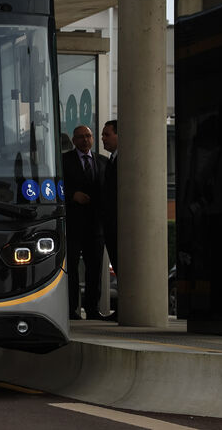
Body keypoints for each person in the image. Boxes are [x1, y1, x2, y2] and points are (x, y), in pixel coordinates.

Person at [63, 124, 107, 320]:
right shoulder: (64, 161)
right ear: (74, 141)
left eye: (88, 136)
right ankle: (71, 309)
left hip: (95, 225)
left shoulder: (103, 162)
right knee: (71, 269)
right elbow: (55, 189)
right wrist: (72, 196)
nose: (85, 140)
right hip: (73, 225)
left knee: (95, 269)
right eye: (80, 137)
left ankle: (92, 309)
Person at [101, 119, 119, 320]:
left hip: (118, 224)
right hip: (110, 224)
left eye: (107, 134)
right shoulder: (110, 160)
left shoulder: (122, 161)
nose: (103, 139)